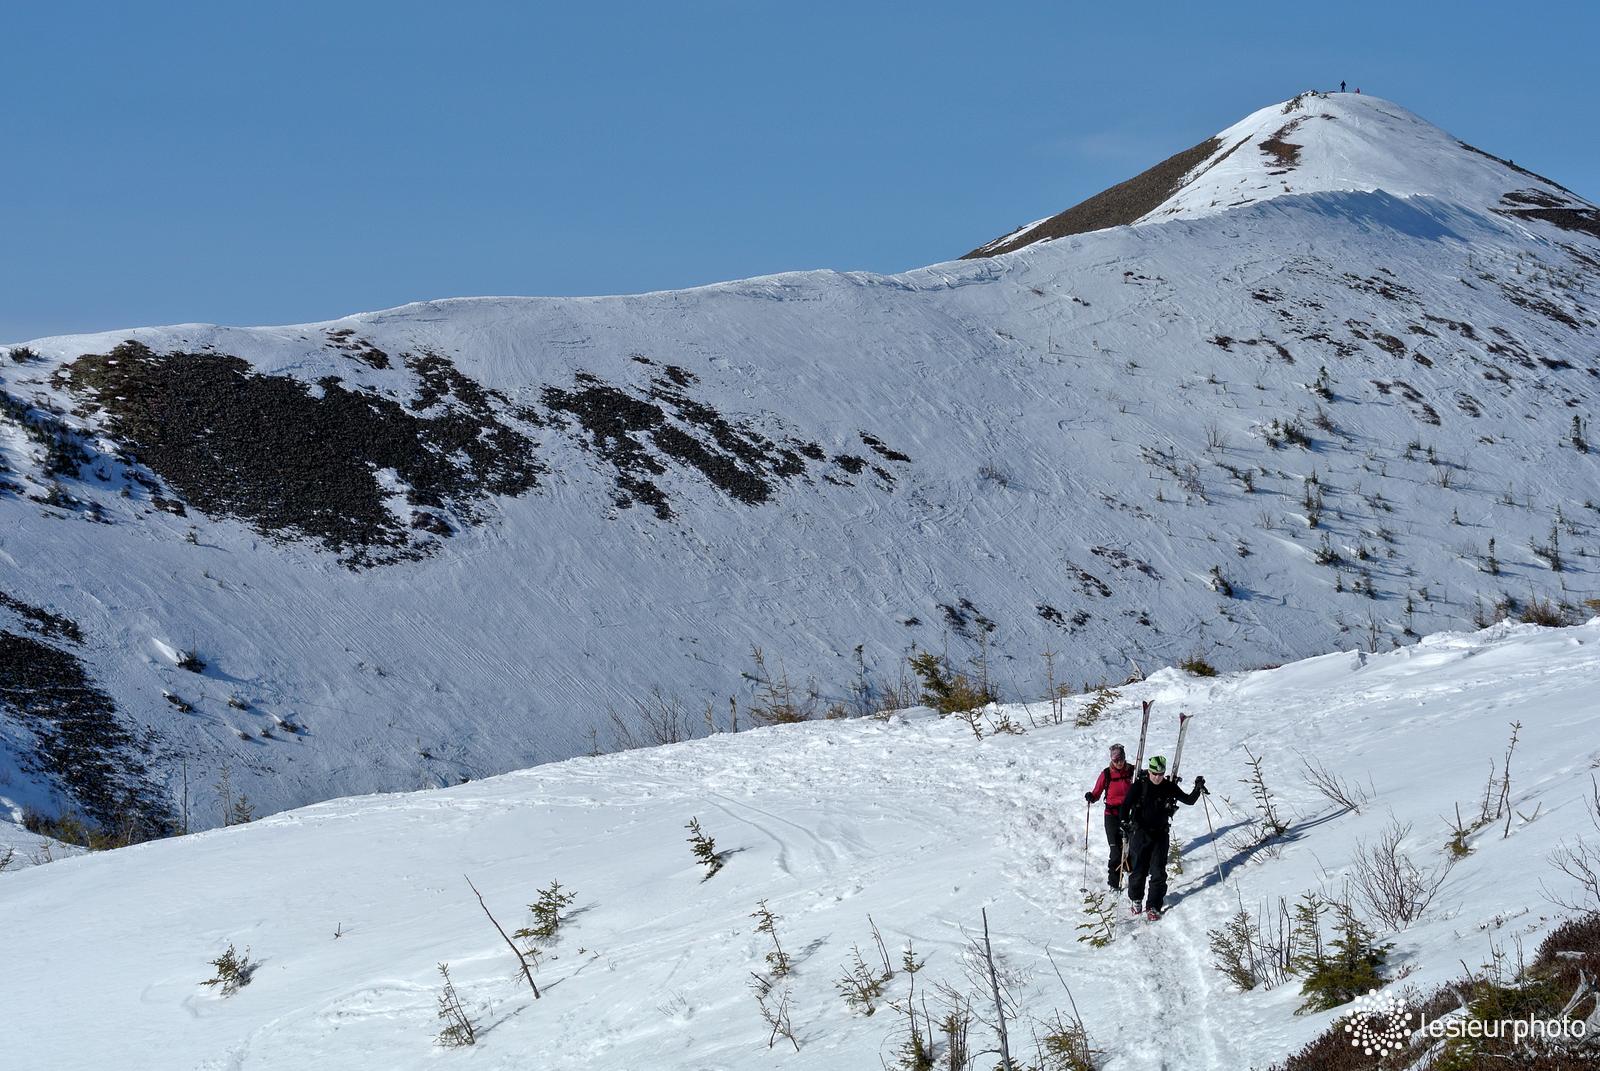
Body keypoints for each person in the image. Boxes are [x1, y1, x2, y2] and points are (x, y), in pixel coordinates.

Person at [1120, 755, 1205, 920]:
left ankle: (1153, 906)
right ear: (1149, 771)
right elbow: (1125, 805)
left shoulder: (1168, 786)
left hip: (1160, 834)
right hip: (1140, 833)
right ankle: (1136, 899)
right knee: (1139, 870)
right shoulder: (1140, 785)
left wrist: (1197, 788)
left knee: (1158, 871)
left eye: (1160, 774)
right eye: (1154, 773)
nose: (1157, 777)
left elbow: (1188, 800)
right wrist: (1124, 822)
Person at [1084, 743, 1136, 890]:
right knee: (1115, 850)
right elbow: (1097, 792)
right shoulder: (1106, 774)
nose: (1119, 763)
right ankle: (1114, 883)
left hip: (1128, 813)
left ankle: (1130, 870)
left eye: (1121, 759)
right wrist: (1091, 797)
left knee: (1131, 845)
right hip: (1111, 815)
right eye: (1115, 760)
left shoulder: (1132, 771)